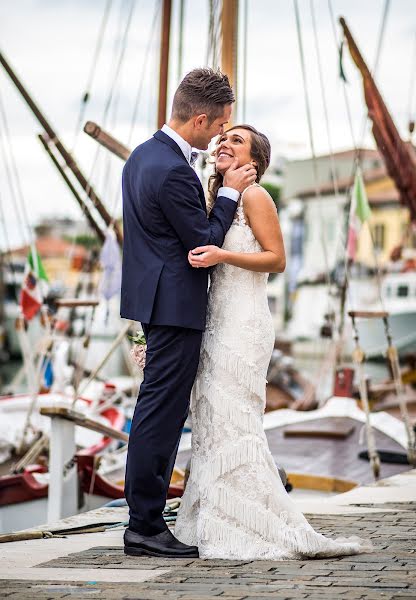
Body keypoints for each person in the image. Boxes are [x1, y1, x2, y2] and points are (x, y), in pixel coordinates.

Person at [174, 124, 371, 560]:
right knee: (211, 421)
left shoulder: (255, 196)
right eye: (223, 139)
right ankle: (211, 516)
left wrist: (223, 254)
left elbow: (277, 259)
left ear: (255, 161)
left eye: (236, 140)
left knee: (237, 422)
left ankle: (249, 521)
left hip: (244, 324)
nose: (224, 143)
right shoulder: (216, 199)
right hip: (215, 321)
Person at [120, 69, 257, 558]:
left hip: (156, 302)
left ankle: (145, 518)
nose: (219, 135)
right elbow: (201, 240)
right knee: (161, 415)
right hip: (176, 306)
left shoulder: (140, 156)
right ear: (200, 117)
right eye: (219, 126)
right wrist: (229, 193)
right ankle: (144, 526)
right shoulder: (174, 170)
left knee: (155, 411)